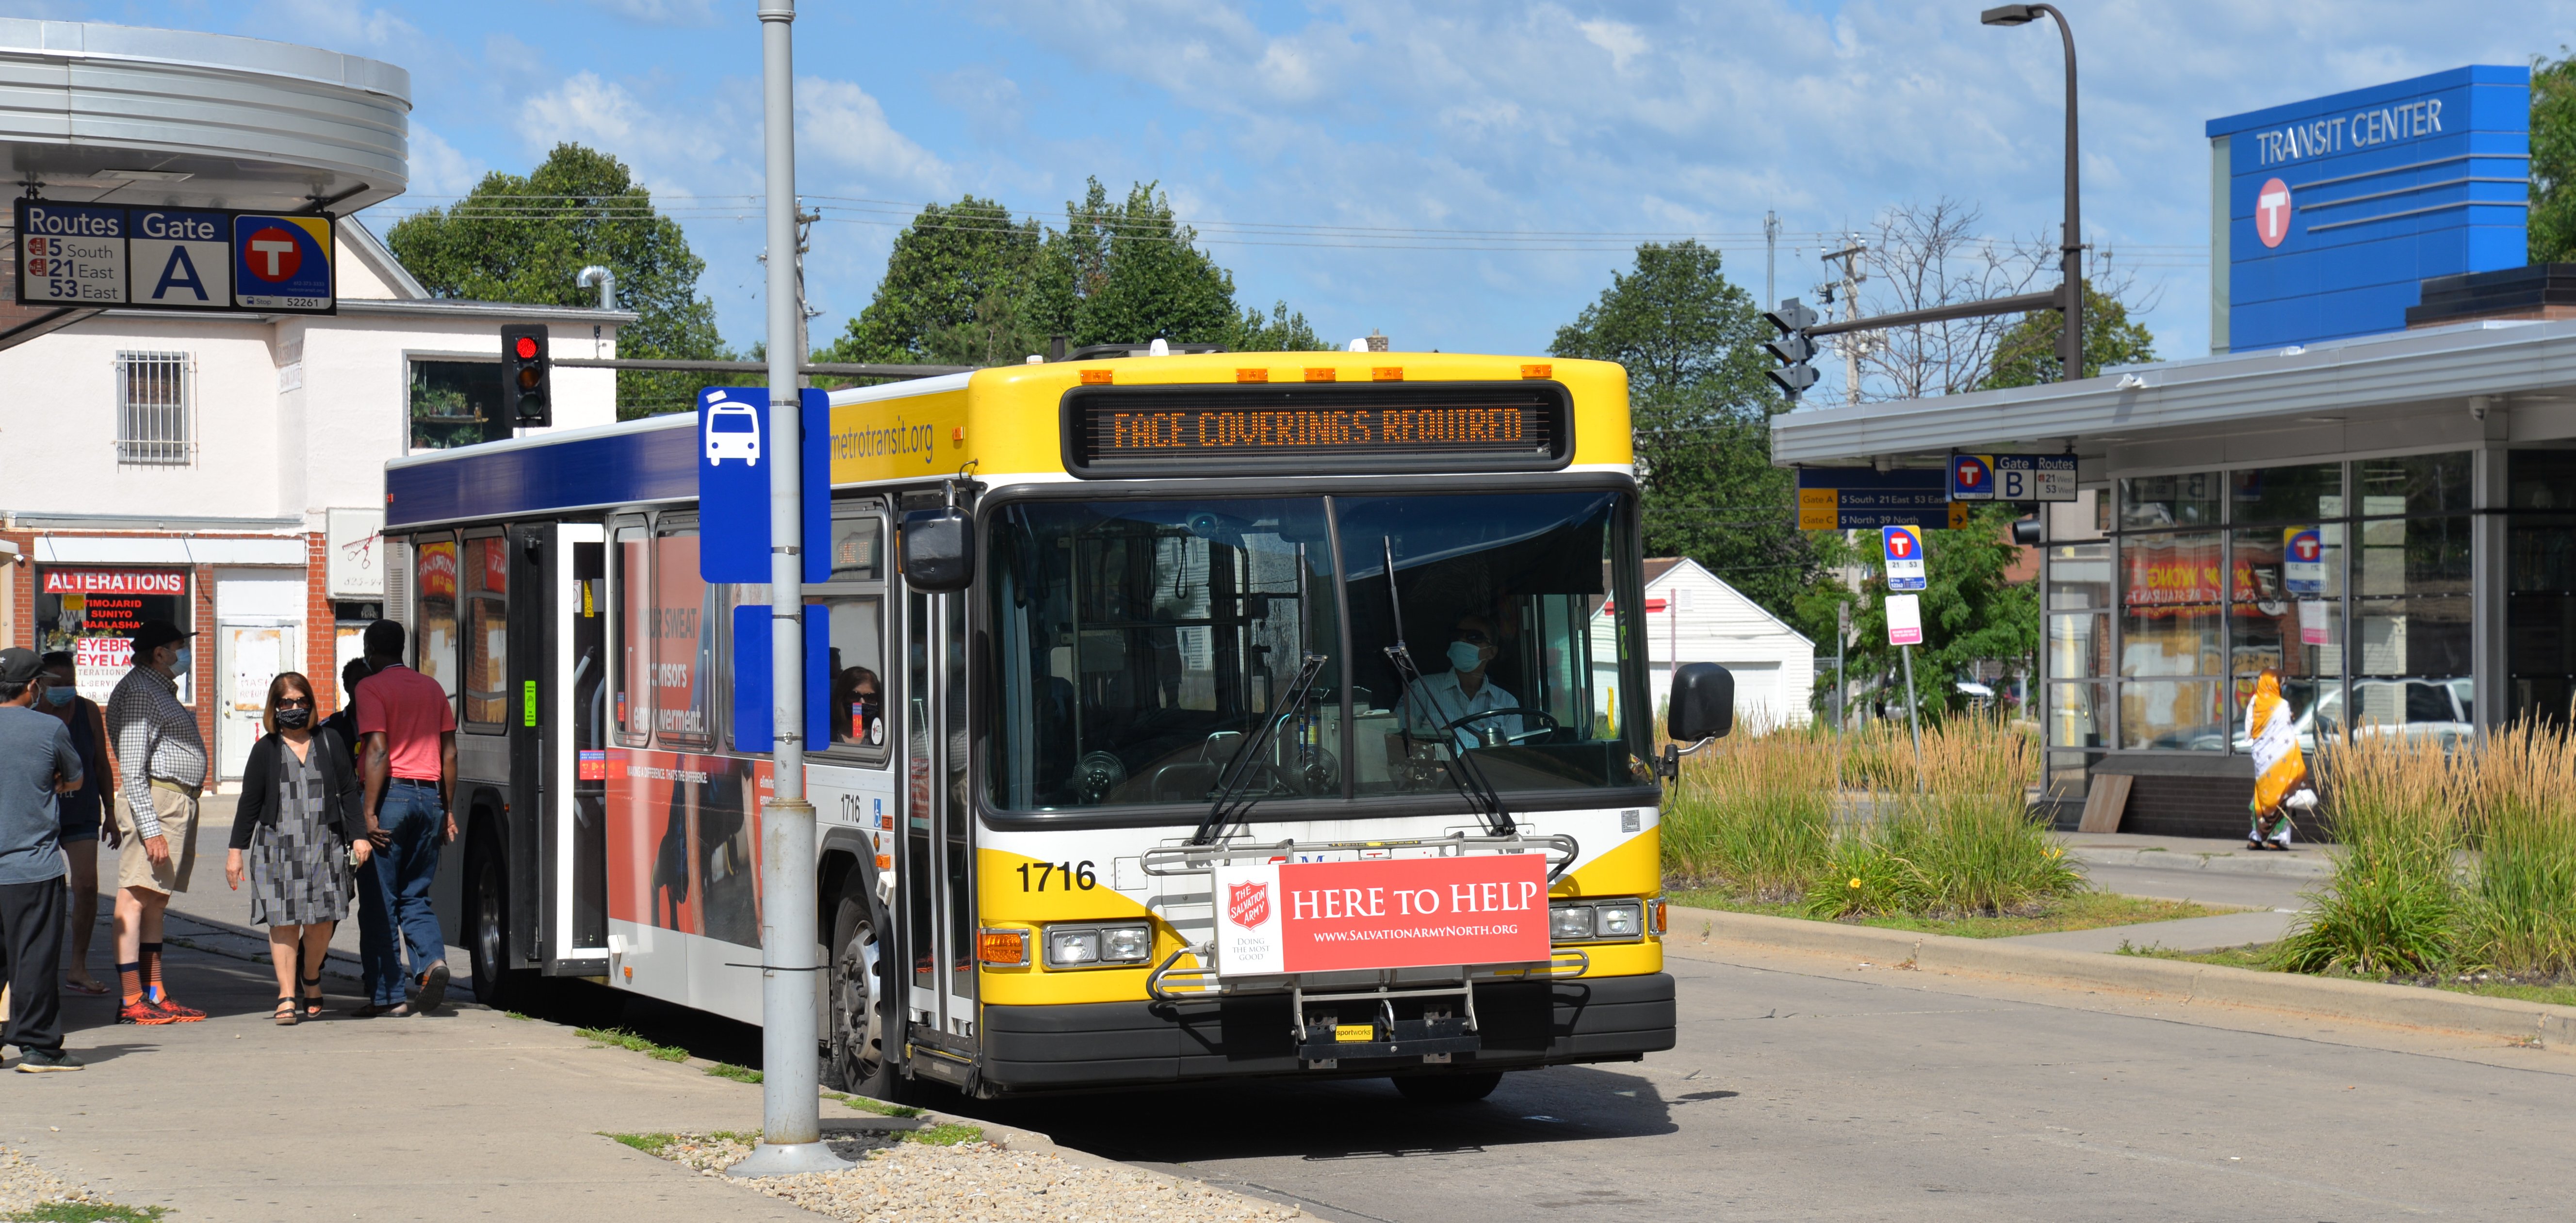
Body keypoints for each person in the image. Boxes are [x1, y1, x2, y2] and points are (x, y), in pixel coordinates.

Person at [226, 673, 368, 1024]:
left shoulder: (330, 741)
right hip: (278, 848)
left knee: (322, 922)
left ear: (311, 704)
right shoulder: (266, 750)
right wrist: (235, 851)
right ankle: (287, 995)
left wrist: (359, 835)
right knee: (283, 922)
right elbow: (250, 803)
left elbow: (349, 792)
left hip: (325, 845)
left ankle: (311, 975)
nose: (294, 708)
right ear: (275, 708)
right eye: (286, 703)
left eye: (301, 701)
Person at [103, 619, 208, 1025]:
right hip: (157, 801)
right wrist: (150, 828)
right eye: (179, 647)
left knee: (155, 897)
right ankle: (132, 999)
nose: (185, 655)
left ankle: (154, 992)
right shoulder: (141, 691)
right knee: (134, 896)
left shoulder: (156, 689)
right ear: (160, 653)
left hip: (174, 802)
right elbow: (131, 769)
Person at [353, 620, 457, 1017]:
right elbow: (449, 754)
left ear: (371, 649)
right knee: (416, 893)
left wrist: (369, 811)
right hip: (430, 797)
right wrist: (447, 809)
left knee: (381, 900)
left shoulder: (370, 687)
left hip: (390, 795)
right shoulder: (431, 688)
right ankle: (432, 963)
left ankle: (389, 996)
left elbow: (378, 749)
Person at [0, 646, 86, 1071]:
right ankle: (38, 1047)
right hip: (31, 867)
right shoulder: (48, 728)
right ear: (33, 687)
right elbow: (75, 778)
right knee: (33, 957)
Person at [34, 652, 116, 996]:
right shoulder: (31, 713)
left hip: (81, 810)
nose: (66, 690)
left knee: (85, 886)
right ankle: (37, 971)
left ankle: (78, 967)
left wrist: (110, 811)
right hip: (40, 813)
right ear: (39, 684)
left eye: (71, 683)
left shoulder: (86, 711)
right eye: (58, 684)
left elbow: (100, 763)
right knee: (44, 892)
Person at [1400, 614, 1523, 752]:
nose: (1462, 640)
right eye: (1458, 635)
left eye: (1474, 637)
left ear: (1491, 652)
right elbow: (1400, 745)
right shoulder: (1422, 690)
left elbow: (1516, 760)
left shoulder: (1508, 704)